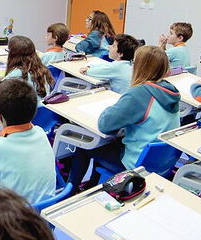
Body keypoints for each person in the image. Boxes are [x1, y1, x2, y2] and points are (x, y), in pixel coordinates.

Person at [67, 46, 180, 185]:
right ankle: (91, 185)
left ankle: (70, 192)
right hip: (161, 163)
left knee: (84, 144)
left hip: (136, 165)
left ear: (139, 67)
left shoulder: (140, 93)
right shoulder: (171, 92)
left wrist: (110, 108)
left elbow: (105, 125)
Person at [0, 36, 54, 103]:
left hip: (22, 114)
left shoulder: (18, 73)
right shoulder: (41, 69)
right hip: (40, 112)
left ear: (12, 55)